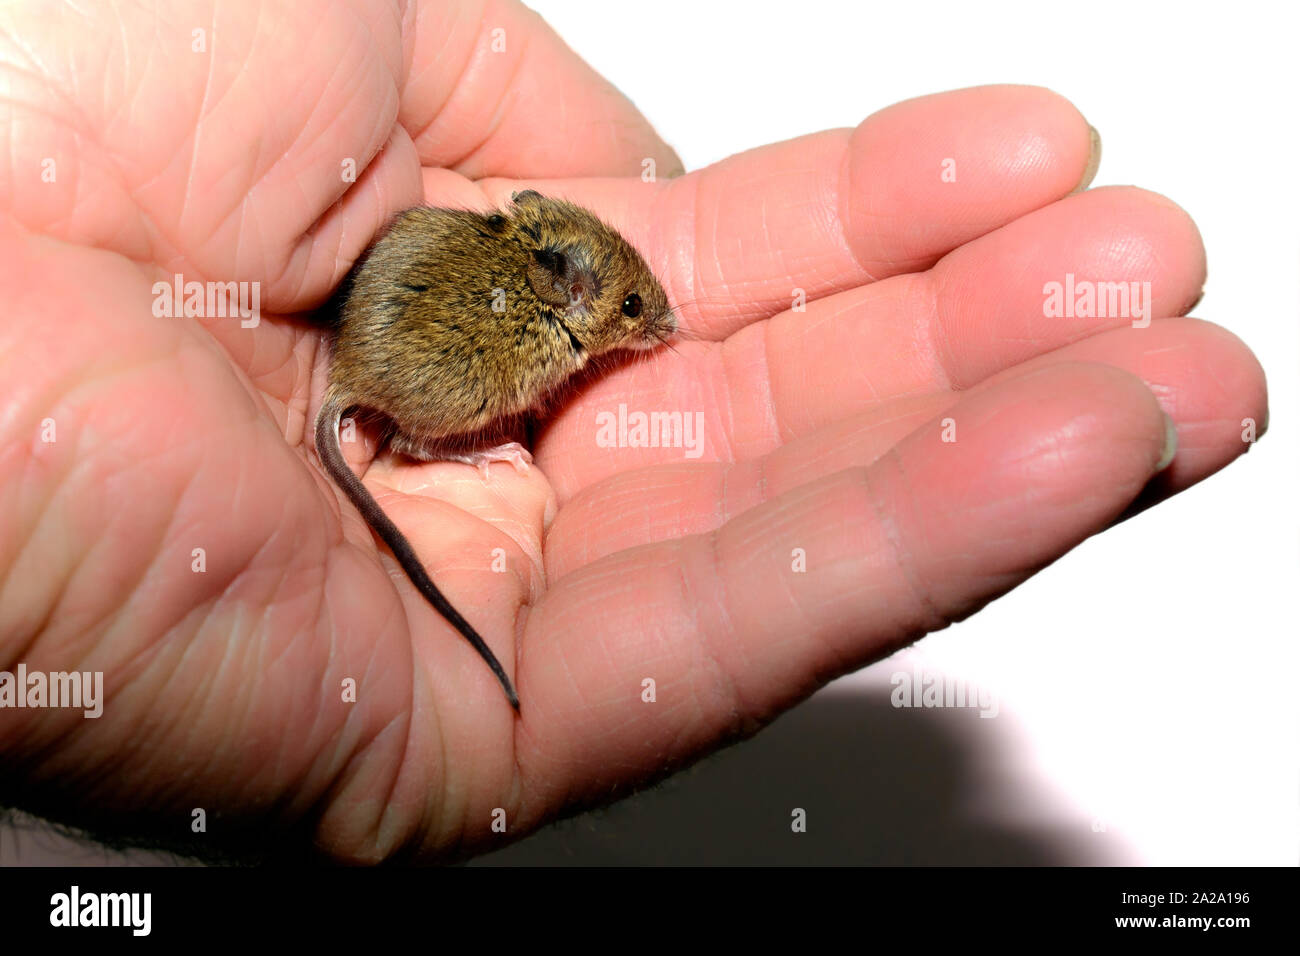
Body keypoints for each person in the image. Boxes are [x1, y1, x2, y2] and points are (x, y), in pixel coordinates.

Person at [0, 0, 1265, 864]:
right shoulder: (522, 339)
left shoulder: (540, 257)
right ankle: (430, 440)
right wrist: (451, 442)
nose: (644, 323)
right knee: (461, 404)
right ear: (565, 299)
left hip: (379, 333)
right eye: (629, 310)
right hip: (400, 378)